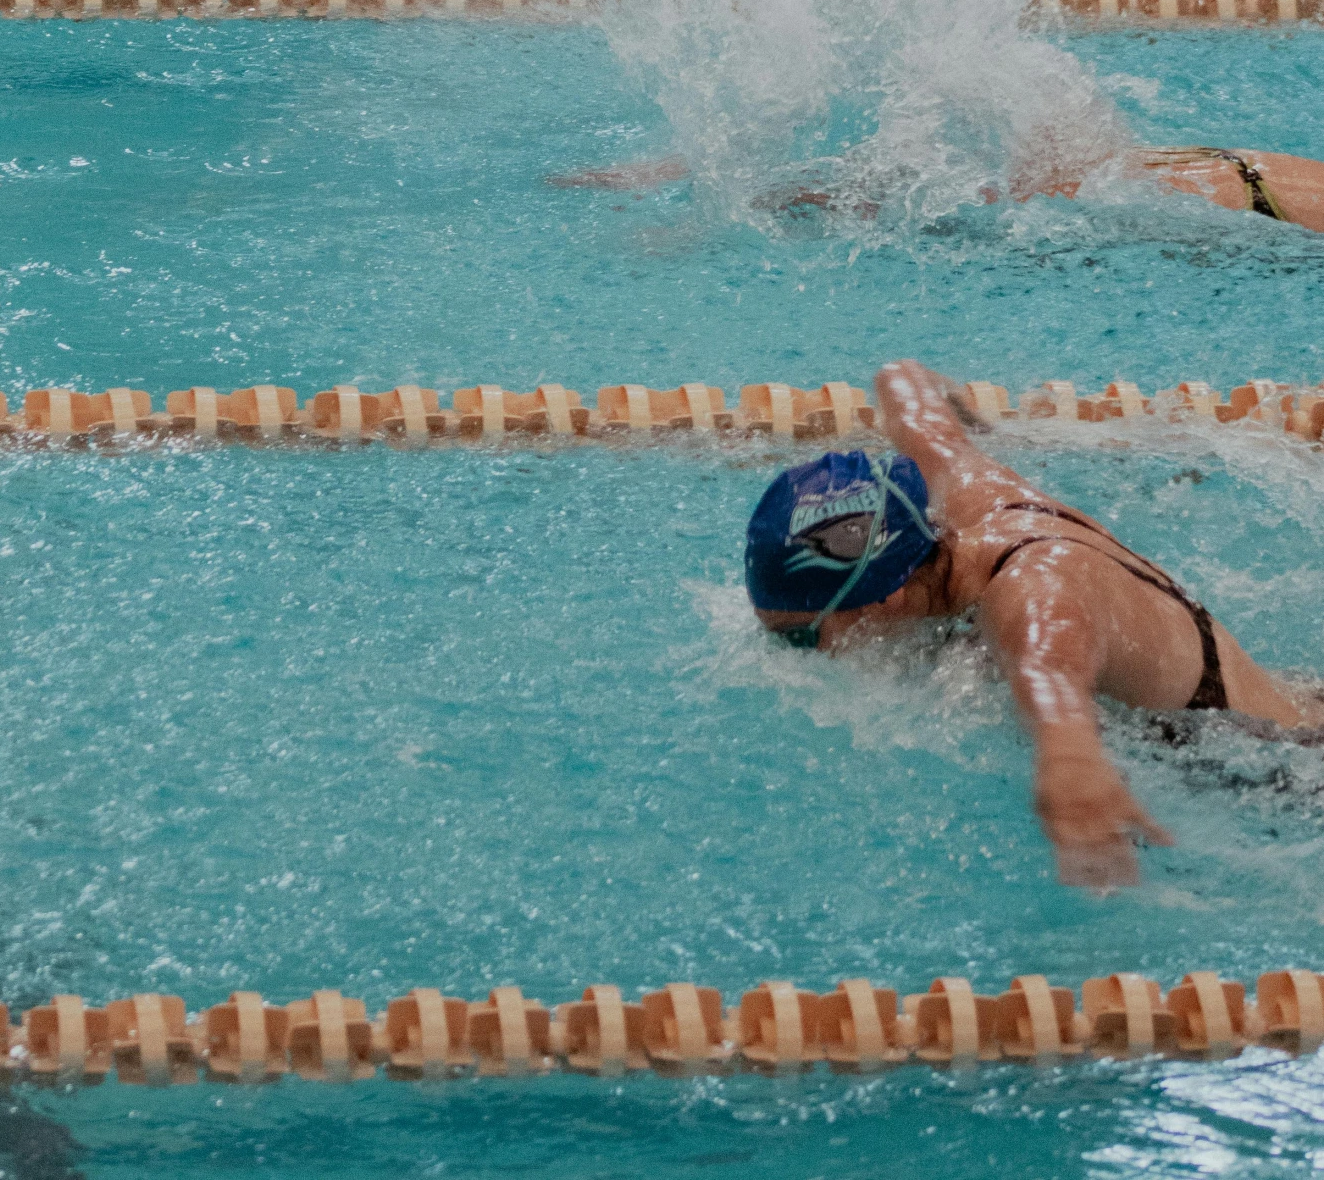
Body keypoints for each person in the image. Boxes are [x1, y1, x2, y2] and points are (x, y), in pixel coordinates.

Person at [746, 359, 1324, 888]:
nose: (794, 653)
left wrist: (1070, 765)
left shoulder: (1035, 595)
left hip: (1286, 768)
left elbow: (1049, 670)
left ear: (888, 598)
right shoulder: (959, 488)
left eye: (799, 636)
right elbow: (904, 385)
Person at [552, 144, 1324, 231]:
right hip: (1215, 197)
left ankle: (733, 173)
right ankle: (746, 182)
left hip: (1209, 165)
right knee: (951, 210)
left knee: (954, 191)